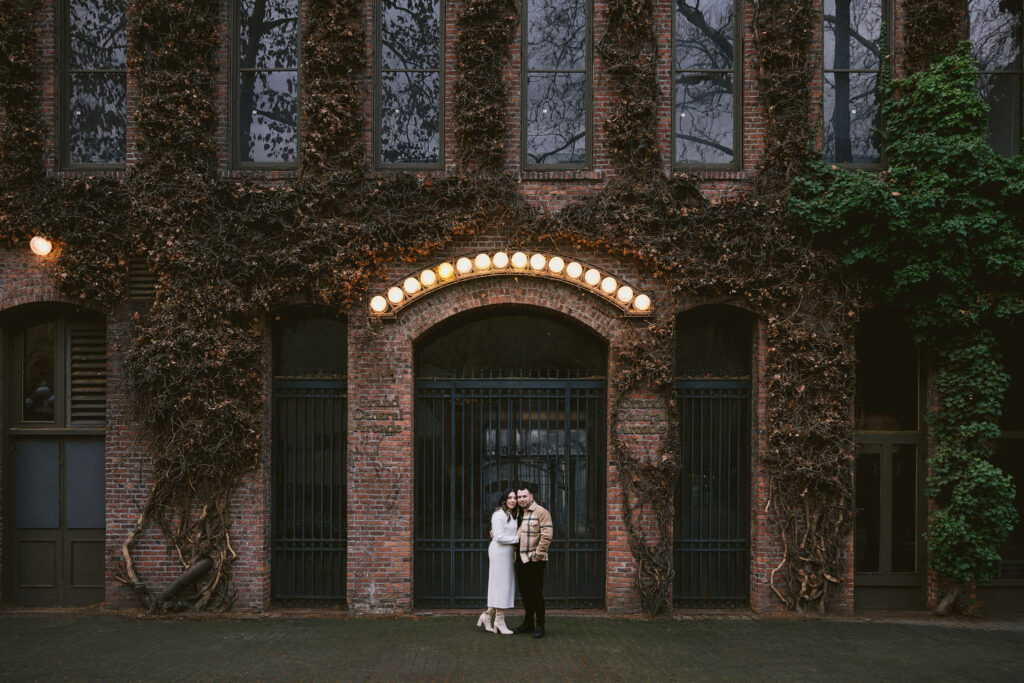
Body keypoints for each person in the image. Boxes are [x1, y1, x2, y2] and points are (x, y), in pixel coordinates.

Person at [476, 489, 519, 634]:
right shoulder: (499, 514)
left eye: (514, 498)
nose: (512, 500)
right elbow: (499, 537)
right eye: (509, 498)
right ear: (504, 499)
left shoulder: (510, 514)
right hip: (499, 552)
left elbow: (502, 533)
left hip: (507, 552)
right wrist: (517, 538)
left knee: (501, 584)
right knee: (501, 585)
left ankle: (487, 616)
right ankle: (499, 621)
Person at [513, 486, 553, 638]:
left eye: (524, 496)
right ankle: (528, 623)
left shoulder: (541, 512)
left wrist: (537, 555)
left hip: (534, 560)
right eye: (519, 497)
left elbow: (547, 535)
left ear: (531, 497)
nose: (521, 499)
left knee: (536, 593)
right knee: (525, 593)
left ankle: (540, 625)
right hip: (520, 559)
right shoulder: (517, 512)